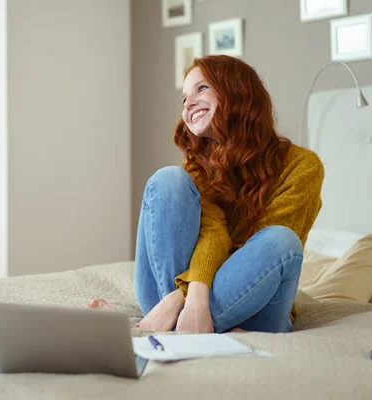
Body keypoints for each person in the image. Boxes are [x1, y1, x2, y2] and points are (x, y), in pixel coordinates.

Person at [88, 55, 324, 334]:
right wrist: (192, 295)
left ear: (238, 91)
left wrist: (185, 295)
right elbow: (212, 232)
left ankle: (154, 327)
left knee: (282, 240)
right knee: (168, 180)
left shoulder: (302, 166)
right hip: (177, 294)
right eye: (184, 97)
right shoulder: (199, 165)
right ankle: (187, 324)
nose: (188, 103)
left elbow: (253, 254)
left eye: (201, 88)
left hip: (255, 304)